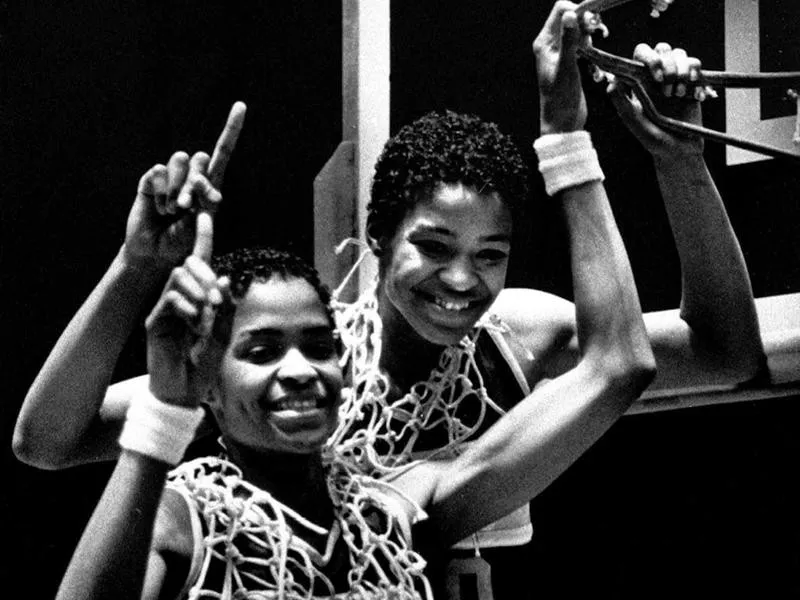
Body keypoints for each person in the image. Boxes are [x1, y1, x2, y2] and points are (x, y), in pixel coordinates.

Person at [15, 3, 764, 599]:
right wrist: (134, 268)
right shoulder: (281, 381)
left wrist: (669, 157)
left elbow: (712, 353)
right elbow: (47, 440)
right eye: (434, 248)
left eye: (489, 255)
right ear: (376, 239)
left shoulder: (498, 370)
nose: (461, 281)